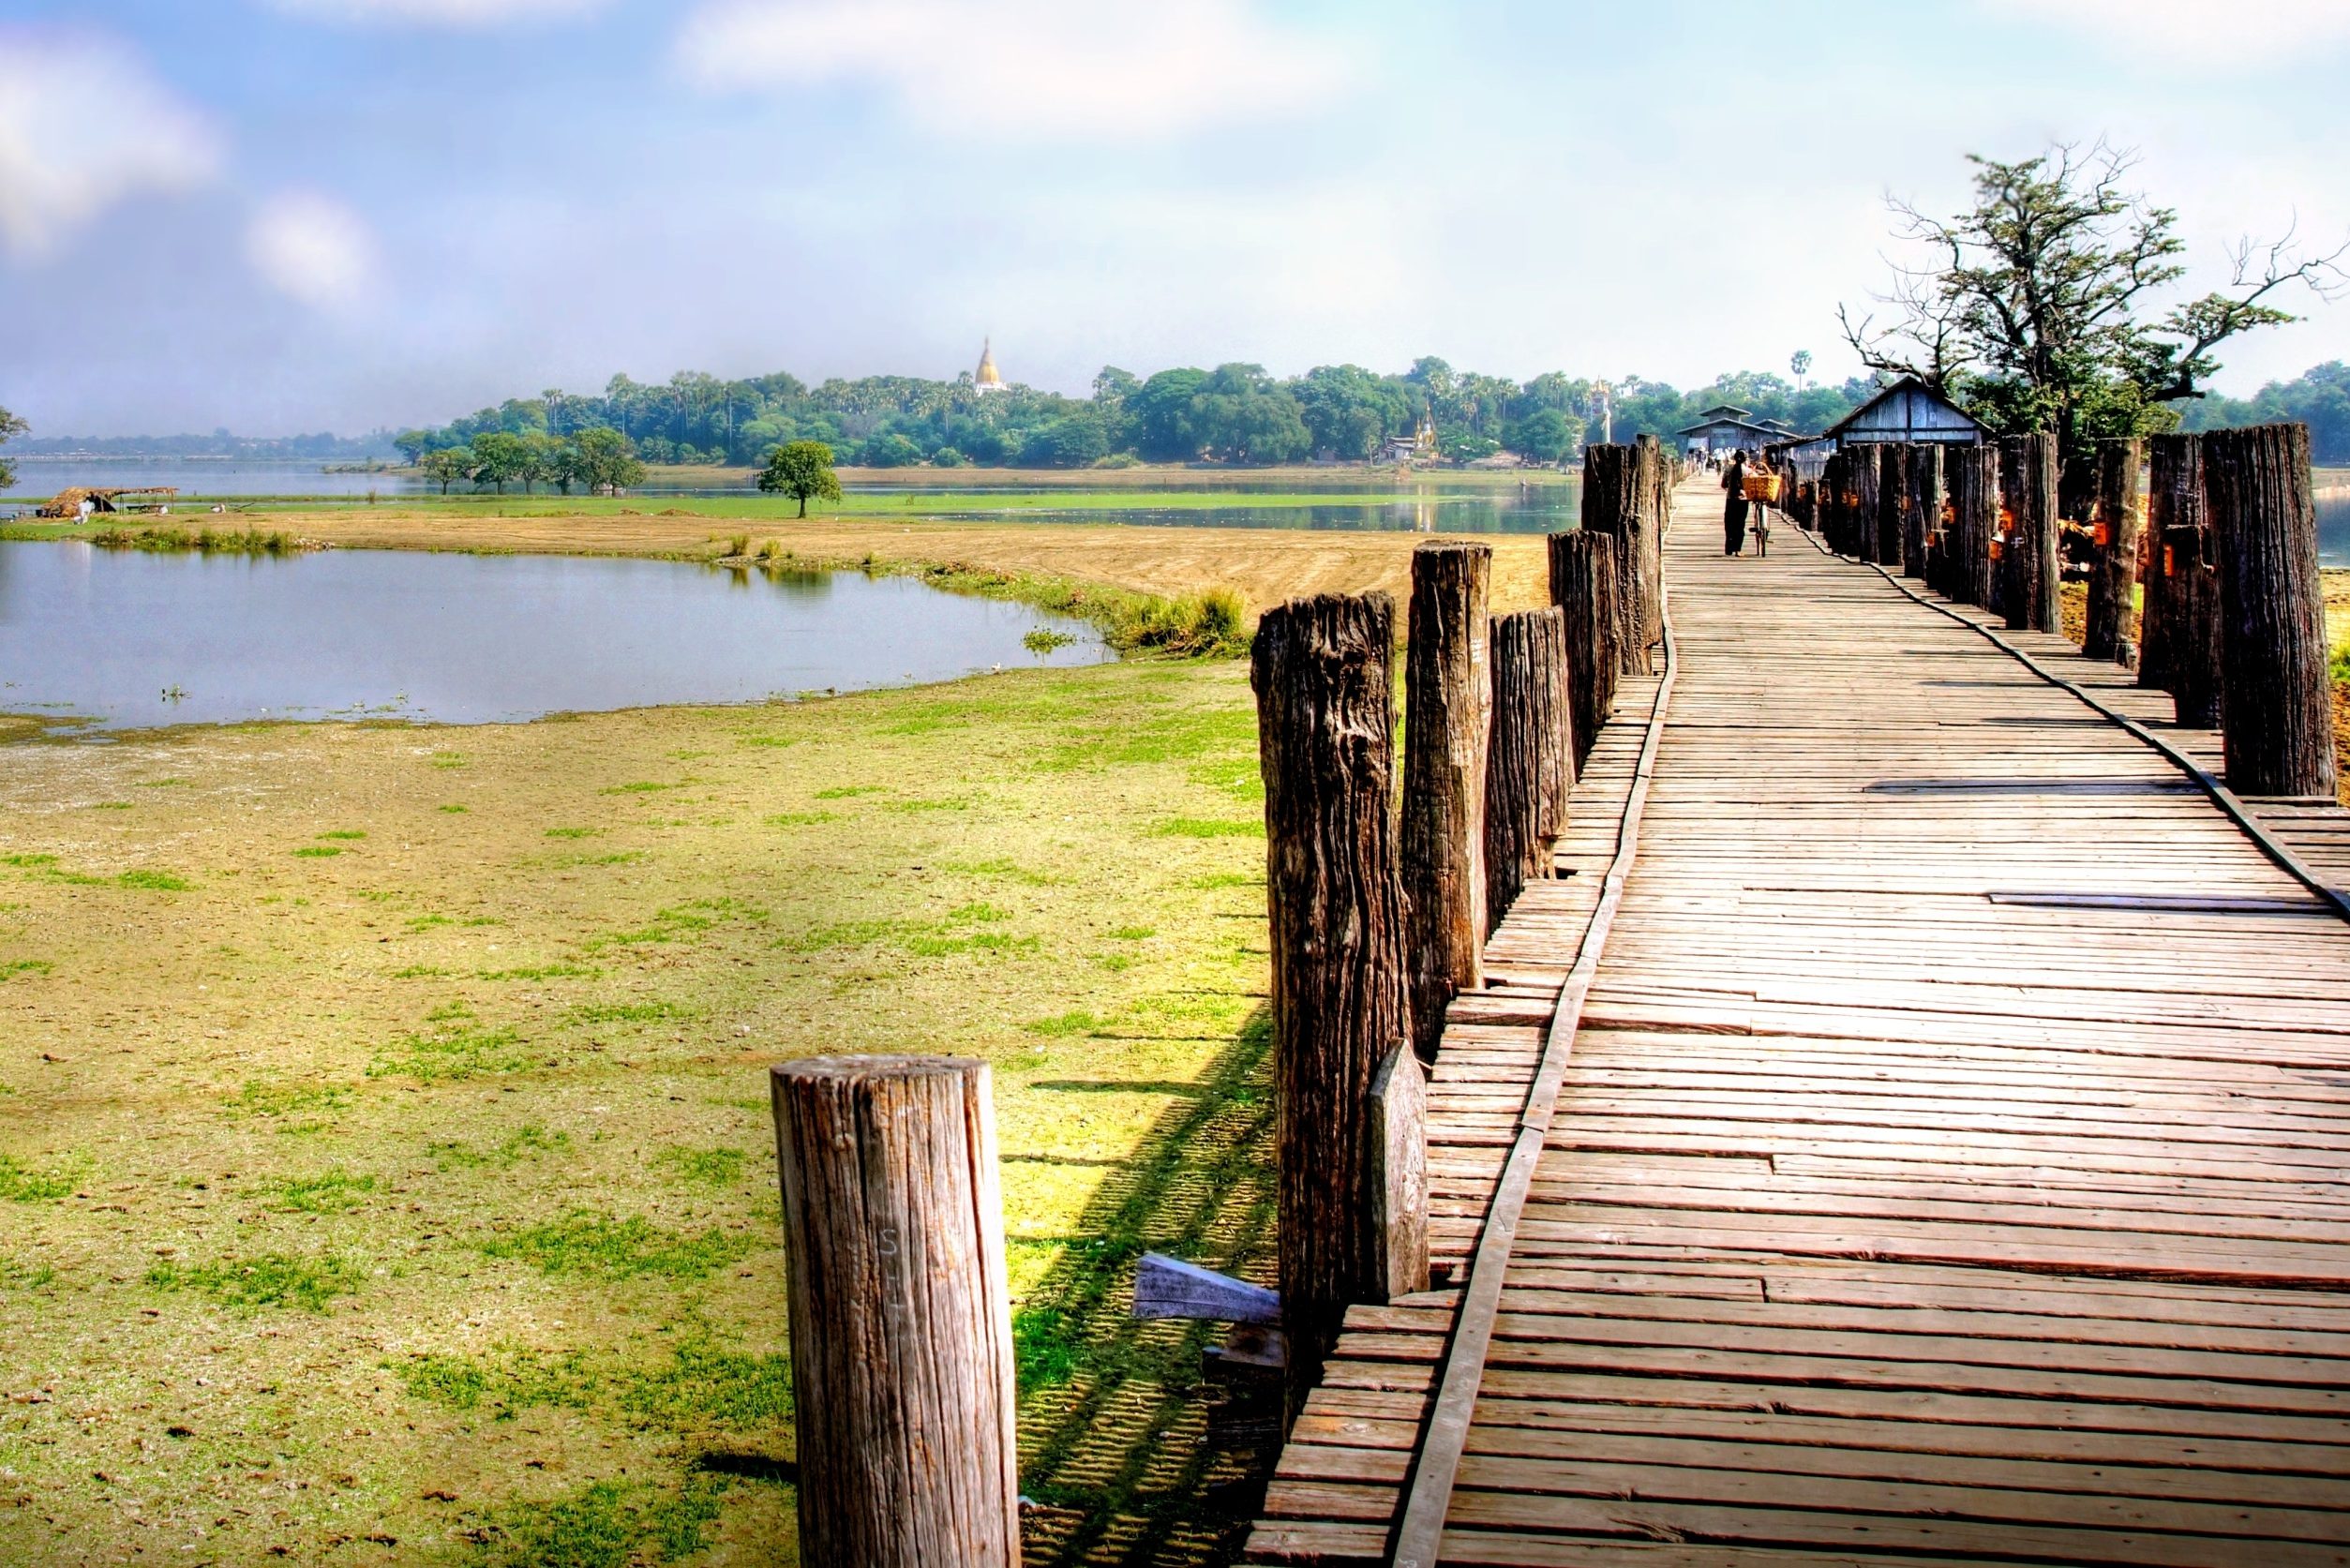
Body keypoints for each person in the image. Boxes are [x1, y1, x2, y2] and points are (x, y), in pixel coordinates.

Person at [1721, 449, 1750, 556]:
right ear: (1745, 459)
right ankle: (1738, 549)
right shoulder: (1748, 471)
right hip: (1743, 500)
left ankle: (1729, 548)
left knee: (1729, 524)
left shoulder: (1728, 469)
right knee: (1740, 524)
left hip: (1730, 500)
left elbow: (1723, 485)